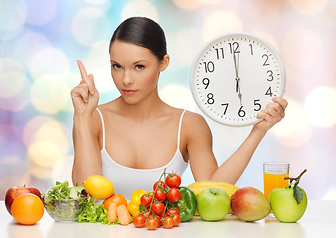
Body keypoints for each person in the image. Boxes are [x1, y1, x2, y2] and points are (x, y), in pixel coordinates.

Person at [71, 17, 287, 198]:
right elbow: (85, 193)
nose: (126, 79)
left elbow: (212, 189)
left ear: (163, 63)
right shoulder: (93, 118)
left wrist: (258, 130)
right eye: (117, 66)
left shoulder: (190, 125)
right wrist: (81, 117)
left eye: (139, 66)